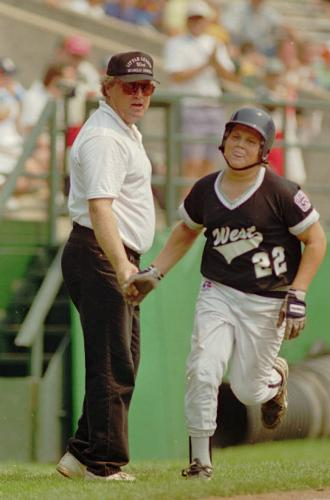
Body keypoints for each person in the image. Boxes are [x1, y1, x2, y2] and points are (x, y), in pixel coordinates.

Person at [124, 106, 327, 479]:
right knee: (203, 370)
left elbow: (315, 240)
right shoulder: (207, 188)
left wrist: (298, 294)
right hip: (217, 291)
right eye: (236, 137)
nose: (240, 145)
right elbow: (186, 230)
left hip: (268, 300)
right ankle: (201, 461)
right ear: (224, 139)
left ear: (264, 150)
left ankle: (276, 379)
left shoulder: (281, 191)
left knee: (249, 392)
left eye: (250, 140)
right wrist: (156, 272)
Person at [56, 50, 158, 481]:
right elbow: (100, 209)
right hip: (101, 254)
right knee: (114, 361)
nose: (139, 94)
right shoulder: (105, 138)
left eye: (146, 86)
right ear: (108, 87)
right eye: (129, 85)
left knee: (122, 358)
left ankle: (82, 452)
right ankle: (103, 463)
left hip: (108, 254)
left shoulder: (122, 130)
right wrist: (122, 268)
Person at [163, 0, 238, 198]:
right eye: (193, 18)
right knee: (191, 163)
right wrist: (207, 64)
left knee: (209, 162)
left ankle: (203, 211)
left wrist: (213, 64)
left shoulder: (215, 43)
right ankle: (186, 209)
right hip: (190, 106)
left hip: (212, 106)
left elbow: (230, 76)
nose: (196, 22)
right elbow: (176, 76)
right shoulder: (176, 43)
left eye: (200, 19)